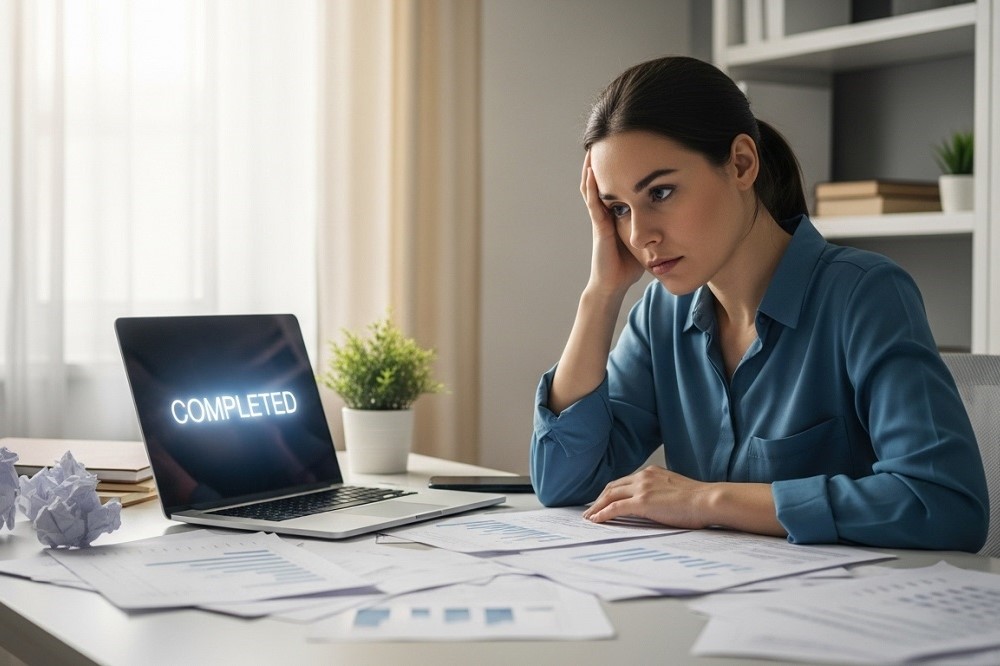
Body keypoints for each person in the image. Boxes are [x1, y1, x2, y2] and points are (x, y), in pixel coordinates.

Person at [529, 55, 990, 551]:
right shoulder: (660, 316)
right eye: (619, 209)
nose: (640, 235)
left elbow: (946, 505)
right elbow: (561, 483)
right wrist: (602, 294)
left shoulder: (864, 294)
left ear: (742, 164)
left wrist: (708, 501)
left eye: (661, 192)